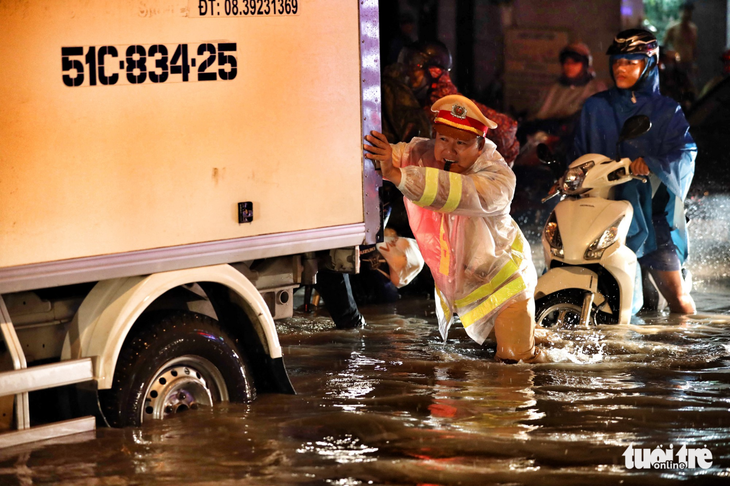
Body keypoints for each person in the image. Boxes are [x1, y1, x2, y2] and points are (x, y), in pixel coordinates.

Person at [364, 94, 546, 363]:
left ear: (480, 144)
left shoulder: (499, 177)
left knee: (513, 372)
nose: (449, 151)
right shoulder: (421, 154)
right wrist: (381, 153)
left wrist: (398, 176)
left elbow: (454, 192)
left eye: (461, 143)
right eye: (443, 140)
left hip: (506, 292)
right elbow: (388, 153)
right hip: (470, 295)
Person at [571, 28, 697, 314]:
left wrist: (651, 162)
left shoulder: (667, 110)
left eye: (630, 62)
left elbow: (685, 152)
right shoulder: (595, 106)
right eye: (617, 61)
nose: (620, 68)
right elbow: (578, 151)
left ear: (649, 63)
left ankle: (690, 349)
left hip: (652, 214)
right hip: (601, 210)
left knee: (676, 298)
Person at [397, 40, 520, 167]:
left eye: (415, 69)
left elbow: (506, 127)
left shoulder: (450, 104)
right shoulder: (420, 102)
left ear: (434, 72)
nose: (409, 75)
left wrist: (498, 166)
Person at [662, 2, 698, 97]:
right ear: (680, 12)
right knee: (677, 91)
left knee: (691, 91)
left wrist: (694, 63)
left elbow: (693, 47)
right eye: (685, 11)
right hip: (676, 66)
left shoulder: (693, 29)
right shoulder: (672, 28)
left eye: (689, 11)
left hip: (689, 64)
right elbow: (664, 46)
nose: (687, 14)